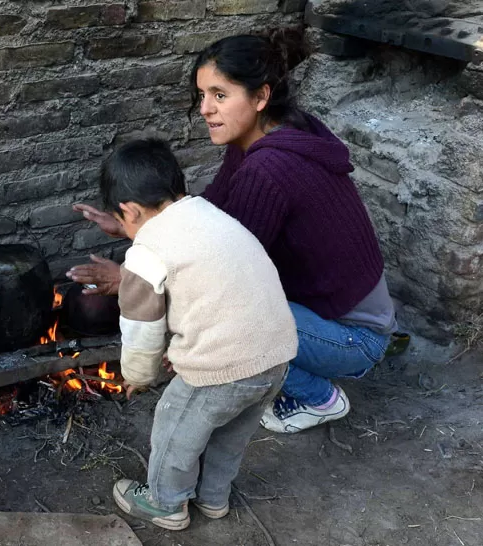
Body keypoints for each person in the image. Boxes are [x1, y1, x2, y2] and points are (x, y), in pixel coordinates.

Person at [70, 31, 397, 434]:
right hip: (332, 315)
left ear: (260, 97)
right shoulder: (268, 137)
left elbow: (219, 276)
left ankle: (318, 397)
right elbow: (205, 216)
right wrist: (130, 227)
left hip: (354, 339)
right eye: (203, 95)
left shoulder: (270, 168)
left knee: (227, 316)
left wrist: (130, 281)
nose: (206, 109)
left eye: (220, 96)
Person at [101, 139, 296, 531]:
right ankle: (213, 499)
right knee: (231, 435)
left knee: (176, 427)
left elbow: (142, 327)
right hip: (277, 353)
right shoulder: (208, 213)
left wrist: (138, 376)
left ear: (129, 210)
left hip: (223, 364)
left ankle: (165, 503)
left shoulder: (146, 252)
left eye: (121, 222)